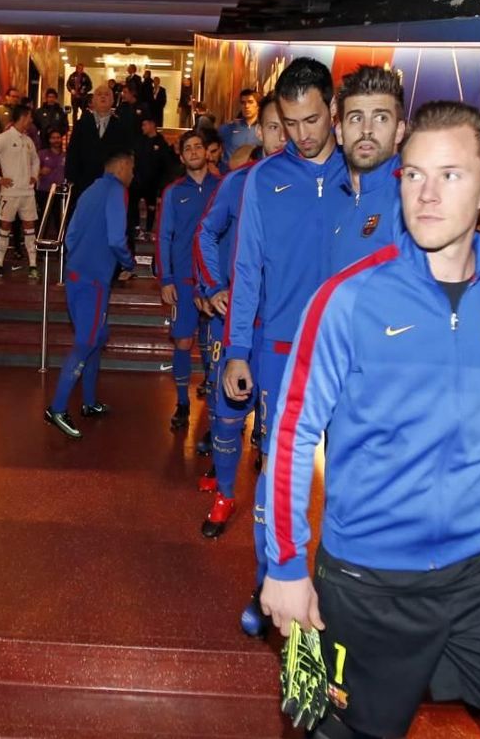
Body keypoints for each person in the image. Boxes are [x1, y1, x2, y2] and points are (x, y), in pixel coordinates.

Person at [261, 100, 480, 739]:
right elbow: (293, 432)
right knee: (335, 728)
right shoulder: (349, 298)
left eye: (451, 175)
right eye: (413, 176)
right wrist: (286, 566)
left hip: (479, 564)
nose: (427, 195)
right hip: (365, 581)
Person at [220, 57, 346, 638]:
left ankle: (346, 592)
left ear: (333, 109)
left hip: (353, 356)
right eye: (290, 122)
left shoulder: (367, 176)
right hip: (279, 351)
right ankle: (268, 578)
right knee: (277, 477)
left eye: (313, 119)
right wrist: (237, 350)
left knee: (353, 478)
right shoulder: (263, 180)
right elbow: (246, 270)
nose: (302, 134)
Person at [193, 93, 285, 538]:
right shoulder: (240, 181)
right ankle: (226, 492)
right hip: (237, 323)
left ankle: (273, 529)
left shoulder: (326, 185)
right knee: (226, 413)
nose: (282, 136)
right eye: (271, 126)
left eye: (289, 125)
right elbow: (206, 234)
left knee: (276, 433)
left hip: (287, 332)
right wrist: (212, 287)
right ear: (259, 132)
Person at [44, 148, 136, 438]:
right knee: (86, 340)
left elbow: (70, 236)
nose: (133, 175)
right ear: (121, 167)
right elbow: (116, 238)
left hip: (75, 274)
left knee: (97, 334)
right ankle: (57, 408)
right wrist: (128, 262)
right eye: (132, 169)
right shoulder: (117, 191)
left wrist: (81, 261)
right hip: (94, 280)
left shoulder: (88, 191)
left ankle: (89, 402)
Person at [156, 130, 221, 430]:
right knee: (183, 340)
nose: (194, 151)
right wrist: (165, 278)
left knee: (214, 345)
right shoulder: (173, 191)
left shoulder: (222, 187)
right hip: (183, 278)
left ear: (207, 152)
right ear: (181, 157)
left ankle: (215, 404)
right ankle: (182, 402)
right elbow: (164, 236)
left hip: (216, 281)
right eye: (188, 148)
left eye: (199, 146)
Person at [328, 64, 405, 274]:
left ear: (399, 131)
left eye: (381, 118)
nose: (367, 130)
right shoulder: (331, 194)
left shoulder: (412, 201)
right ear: (340, 133)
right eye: (356, 118)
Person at [0, 104, 42, 279]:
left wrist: (34, 176)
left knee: (29, 228)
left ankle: (33, 266)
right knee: (5, 227)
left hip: (27, 193)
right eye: (29, 117)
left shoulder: (28, 140)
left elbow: (36, 161)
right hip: (10, 193)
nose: (31, 120)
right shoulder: (4, 138)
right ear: (23, 117)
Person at [66, 84, 130, 207]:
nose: (103, 97)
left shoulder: (121, 126)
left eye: (107, 95)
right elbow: (73, 152)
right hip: (84, 181)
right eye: (99, 94)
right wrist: (71, 178)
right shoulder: (81, 124)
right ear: (93, 100)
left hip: (111, 182)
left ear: (112, 101)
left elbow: (125, 155)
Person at [133, 117, 174, 234]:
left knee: (151, 207)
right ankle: (136, 228)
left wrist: (161, 186)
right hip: (138, 181)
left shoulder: (161, 143)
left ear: (152, 125)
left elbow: (165, 165)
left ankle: (149, 230)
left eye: (145, 125)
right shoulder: (140, 141)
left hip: (153, 183)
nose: (143, 128)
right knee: (134, 204)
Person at [36, 128, 66, 240]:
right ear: (49, 140)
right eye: (53, 138)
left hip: (60, 193)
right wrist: (40, 172)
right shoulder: (41, 154)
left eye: (58, 137)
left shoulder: (65, 156)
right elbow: (31, 171)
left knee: (60, 221)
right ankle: (41, 249)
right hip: (44, 192)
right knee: (44, 220)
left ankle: (61, 248)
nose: (56, 140)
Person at [219, 88, 260, 164]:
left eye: (250, 102)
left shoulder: (264, 129)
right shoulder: (228, 128)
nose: (246, 106)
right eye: (243, 103)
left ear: (258, 106)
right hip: (230, 173)